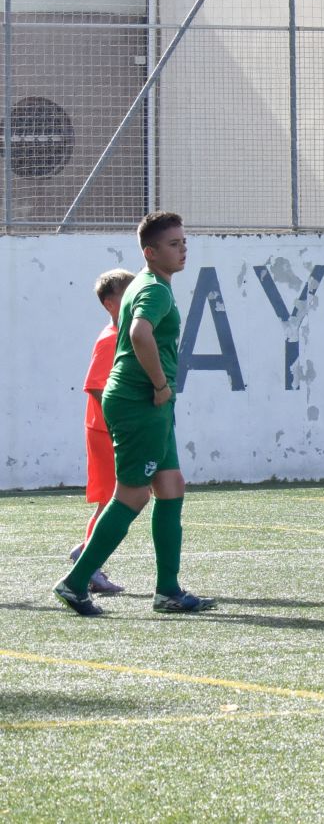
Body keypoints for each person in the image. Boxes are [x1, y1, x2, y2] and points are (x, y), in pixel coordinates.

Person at [56, 213, 214, 616]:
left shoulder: (149, 283)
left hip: (146, 402)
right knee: (133, 494)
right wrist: (161, 385)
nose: (183, 249)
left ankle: (168, 591)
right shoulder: (155, 290)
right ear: (150, 251)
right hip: (141, 400)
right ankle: (75, 583)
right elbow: (139, 334)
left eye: (183, 241)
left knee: (172, 484)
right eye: (174, 244)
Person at [68, 268, 137, 596]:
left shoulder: (123, 336)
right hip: (106, 431)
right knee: (112, 501)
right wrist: (117, 427)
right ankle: (87, 560)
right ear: (111, 304)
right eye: (129, 295)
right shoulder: (110, 339)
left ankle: (87, 556)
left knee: (118, 499)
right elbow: (95, 387)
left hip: (111, 429)